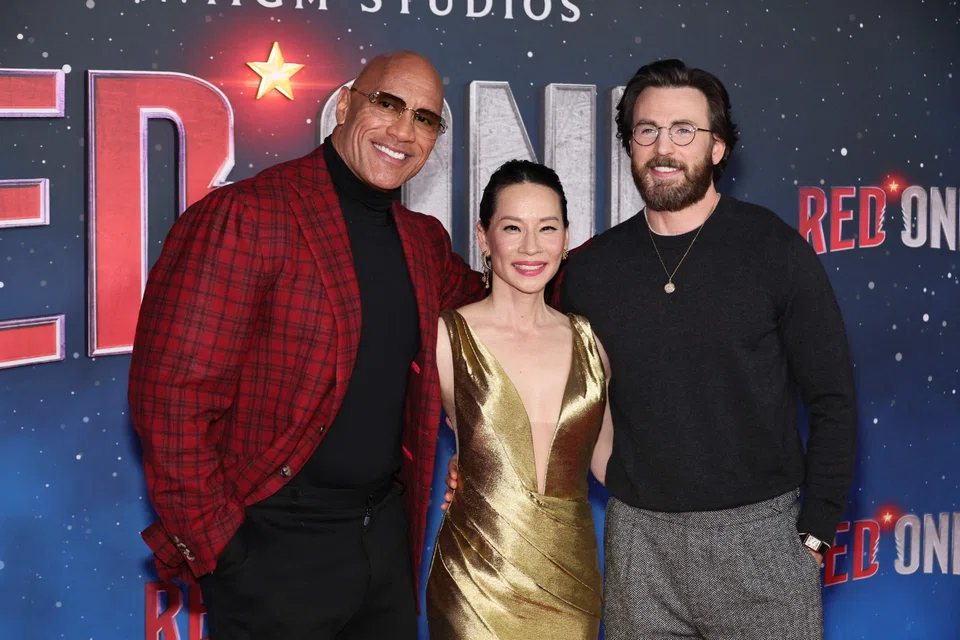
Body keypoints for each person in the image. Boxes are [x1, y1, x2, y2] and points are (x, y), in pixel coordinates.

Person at [445, 59, 858, 639]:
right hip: (637, 543)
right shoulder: (589, 271)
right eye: (647, 131)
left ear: (717, 148)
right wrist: (483, 470)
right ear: (630, 146)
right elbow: (541, 368)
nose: (664, 147)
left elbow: (834, 401)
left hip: (761, 545)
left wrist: (814, 534)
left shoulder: (774, 251)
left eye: (684, 130)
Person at [128, 51, 484, 640]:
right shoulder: (246, 216)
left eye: (425, 118)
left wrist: (624, 260)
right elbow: (169, 399)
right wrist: (226, 551)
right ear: (343, 105)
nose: (403, 130)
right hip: (270, 550)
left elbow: (505, 300)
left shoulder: (422, 241)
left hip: (384, 545)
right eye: (387, 104)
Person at [426, 160, 614, 639]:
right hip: (476, 583)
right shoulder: (444, 338)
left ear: (567, 238)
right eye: (513, 228)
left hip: (572, 584)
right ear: (485, 239)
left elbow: (610, 465)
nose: (532, 247)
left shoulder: (592, 343)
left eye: (547, 228)